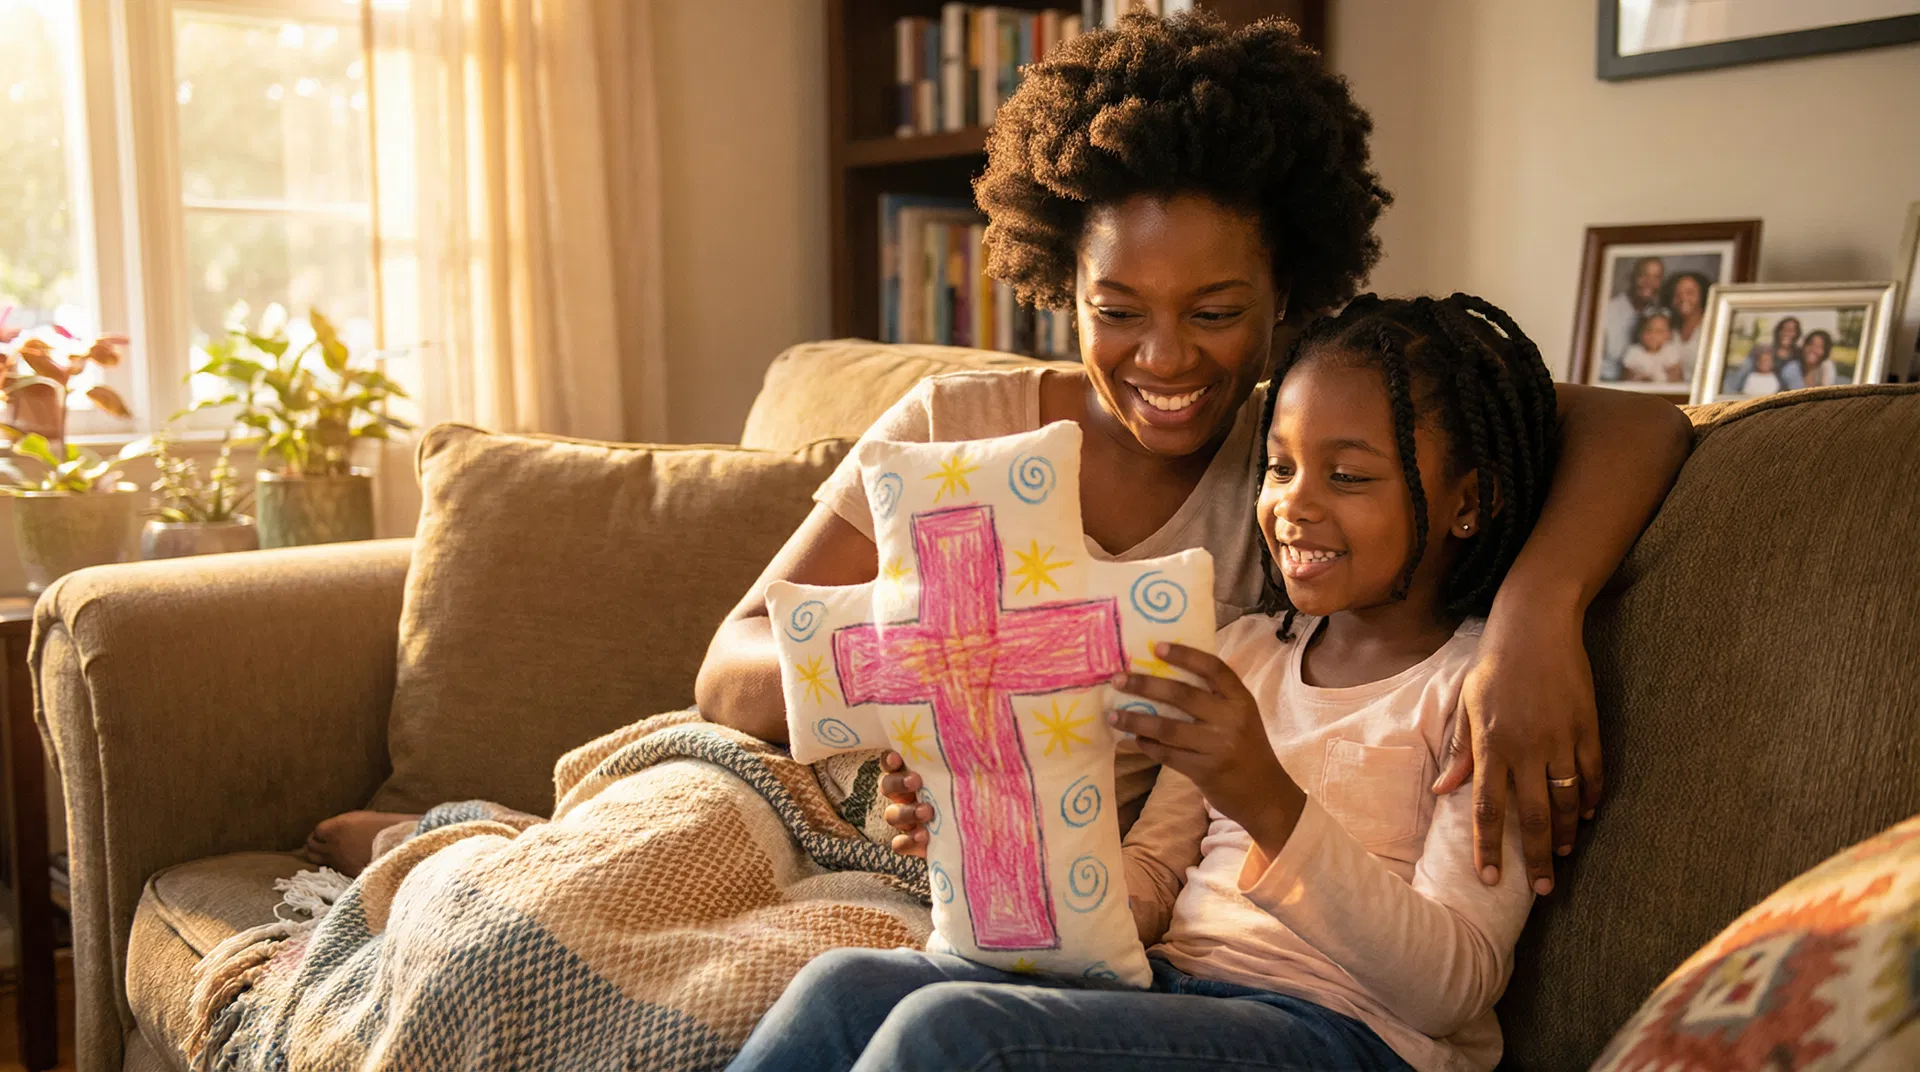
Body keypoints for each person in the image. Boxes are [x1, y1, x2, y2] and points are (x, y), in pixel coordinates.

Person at [310, 10, 1691, 922]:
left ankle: (460, 853)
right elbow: (729, 671)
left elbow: (1637, 418)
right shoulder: (955, 427)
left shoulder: (1298, 468)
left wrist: (1533, 619)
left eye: (1217, 313)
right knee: (586, 892)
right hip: (841, 795)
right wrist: (930, 680)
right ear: (1057, 287)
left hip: (1017, 880)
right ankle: (462, 853)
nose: (1166, 360)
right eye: (1117, 314)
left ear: (1290, 293)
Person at [729, 293, 1557, 1072]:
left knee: (953, 1037)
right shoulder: (1244, 653)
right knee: (846, 989)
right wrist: (983, 826)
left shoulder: (1484, 696)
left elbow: (1453, 989)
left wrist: (1266, 798)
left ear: (1468, 501)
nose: (1294, 505)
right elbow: (1154, 881)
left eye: (1348, 476)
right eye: (1278, 468)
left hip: (1345, 1037)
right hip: (1174, 993)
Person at [1600, 256, 1664, 381]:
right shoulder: (1608, 311)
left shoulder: (1659, 314)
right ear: (1632, 277)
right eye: (1644, 275)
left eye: (1656, 277)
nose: (1649, 282)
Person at [1720, 316, 1806, 397]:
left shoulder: (1798, 355)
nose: (1787, 332)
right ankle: (1725, 394)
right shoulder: (1767, 349)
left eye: (1792, 330)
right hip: (1755, 385)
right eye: (1784, 329)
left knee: (1792, 368)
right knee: (1745, 363)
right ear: (1778, 332)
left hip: (1779, 392)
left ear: (1797, 334)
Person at [1661, 271, 1710, 381]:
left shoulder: (1713, 327)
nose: (1683, 298)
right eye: (1677, 294)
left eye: (1690, 292)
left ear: (1702, 295)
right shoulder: (1666, 328)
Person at [1620, 307, 1685, 384]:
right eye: (1648, 330)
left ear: (1668, 335)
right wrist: (1638, 377)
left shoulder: (1669, 350)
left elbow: (1677, 376)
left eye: (1659, 331)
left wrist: (1672, 374)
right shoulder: (1634, 352)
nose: (1653, 336)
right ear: (1640, 333)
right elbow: (1625, 377)